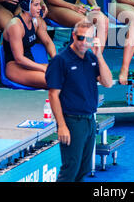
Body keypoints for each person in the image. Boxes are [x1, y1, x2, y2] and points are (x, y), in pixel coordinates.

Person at [46, 20, 113, 182]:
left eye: (88, 39)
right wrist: (61, 126)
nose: (84, 42)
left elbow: (108, 82)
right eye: (81, 38)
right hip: (72, 121)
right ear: (73, 35)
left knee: (83, 169)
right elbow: (53, 95)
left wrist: (99, 55)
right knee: (71, 169)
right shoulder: (60, 60)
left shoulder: (91, 57)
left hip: (89, 120)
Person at [2, 0, 56, 89]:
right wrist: (42, 68)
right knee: (53, 79)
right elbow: (19, 58)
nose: (40, 8)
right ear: (26, 6)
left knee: (65, 73)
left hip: (30, 64)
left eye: (39, 4)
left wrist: (56, 60)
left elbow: (48, 42)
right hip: (14, 67)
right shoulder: (16, 26)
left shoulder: (36, 21)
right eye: (36, 5)